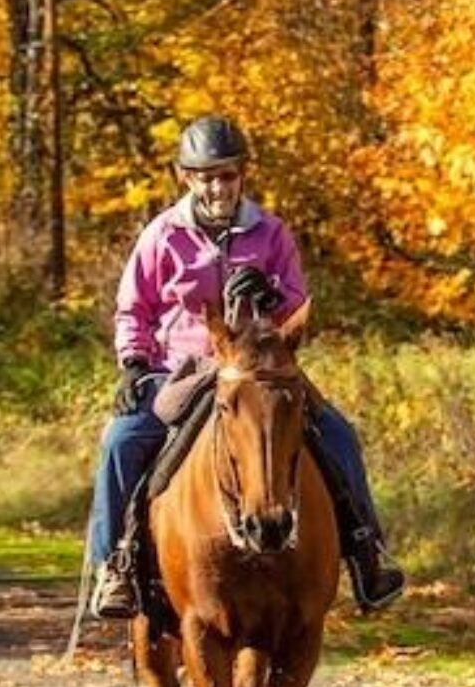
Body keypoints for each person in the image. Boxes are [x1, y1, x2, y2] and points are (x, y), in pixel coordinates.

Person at [85, 115, 405, 619]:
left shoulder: (272, 233)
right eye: (207, 176)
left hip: (259, 368)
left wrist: (272, 296)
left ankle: (368, 551)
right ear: (186, 178)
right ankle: (115, 564)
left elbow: (297, 301)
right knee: (120, 441)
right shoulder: (162, 235)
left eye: (228, 175)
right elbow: (135, 308)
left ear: (242, 176)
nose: (218, 186)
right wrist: (133, 363)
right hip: (181, 369)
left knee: (338, 433)